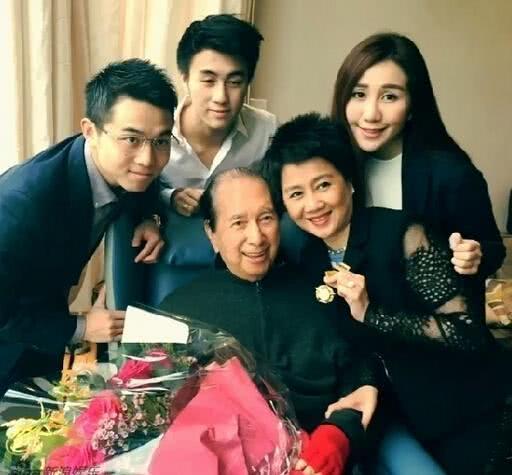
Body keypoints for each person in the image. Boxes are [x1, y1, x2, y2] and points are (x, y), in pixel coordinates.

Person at [260, 112, 511, 475]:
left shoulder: (403, 233)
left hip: (473, 410)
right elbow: (353, 347)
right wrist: (366, 382)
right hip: (406, 416)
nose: (312, 204)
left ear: (349, 181)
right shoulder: (310, 258)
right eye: (296, 194)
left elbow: (467, 331)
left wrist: (372, 313)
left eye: (323, 185)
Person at [160, 167, 382, 475]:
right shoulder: (176, 310)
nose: (257, 238)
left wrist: (339, 434)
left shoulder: (322, 292)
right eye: (238, 223)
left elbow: (363, 370)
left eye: (266, 218)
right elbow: (151, 413)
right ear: (211, 232)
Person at [0, 58, 178, 396]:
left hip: (43, 316)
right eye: (131, 139)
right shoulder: (22, 204)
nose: (147, 159)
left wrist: (151, 217)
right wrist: (81, 327)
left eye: (161, 141)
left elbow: (150, 181)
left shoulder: (121, 167)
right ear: (90, 131)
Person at [331, 32, 505, 279]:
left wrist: (474, 255)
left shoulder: (451, 174)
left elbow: (492, 249)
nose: (370, 114)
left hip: (419, 302)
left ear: (413, 105)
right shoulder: (329, 163)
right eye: (359, 94)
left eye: (390, 96)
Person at [159, 13, 277, 217]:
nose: (221, 97)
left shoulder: (267, 131)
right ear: (185, 78)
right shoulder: (157, 131)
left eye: (234, 82)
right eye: (208, 81)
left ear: (248, 82)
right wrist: (170, 196)